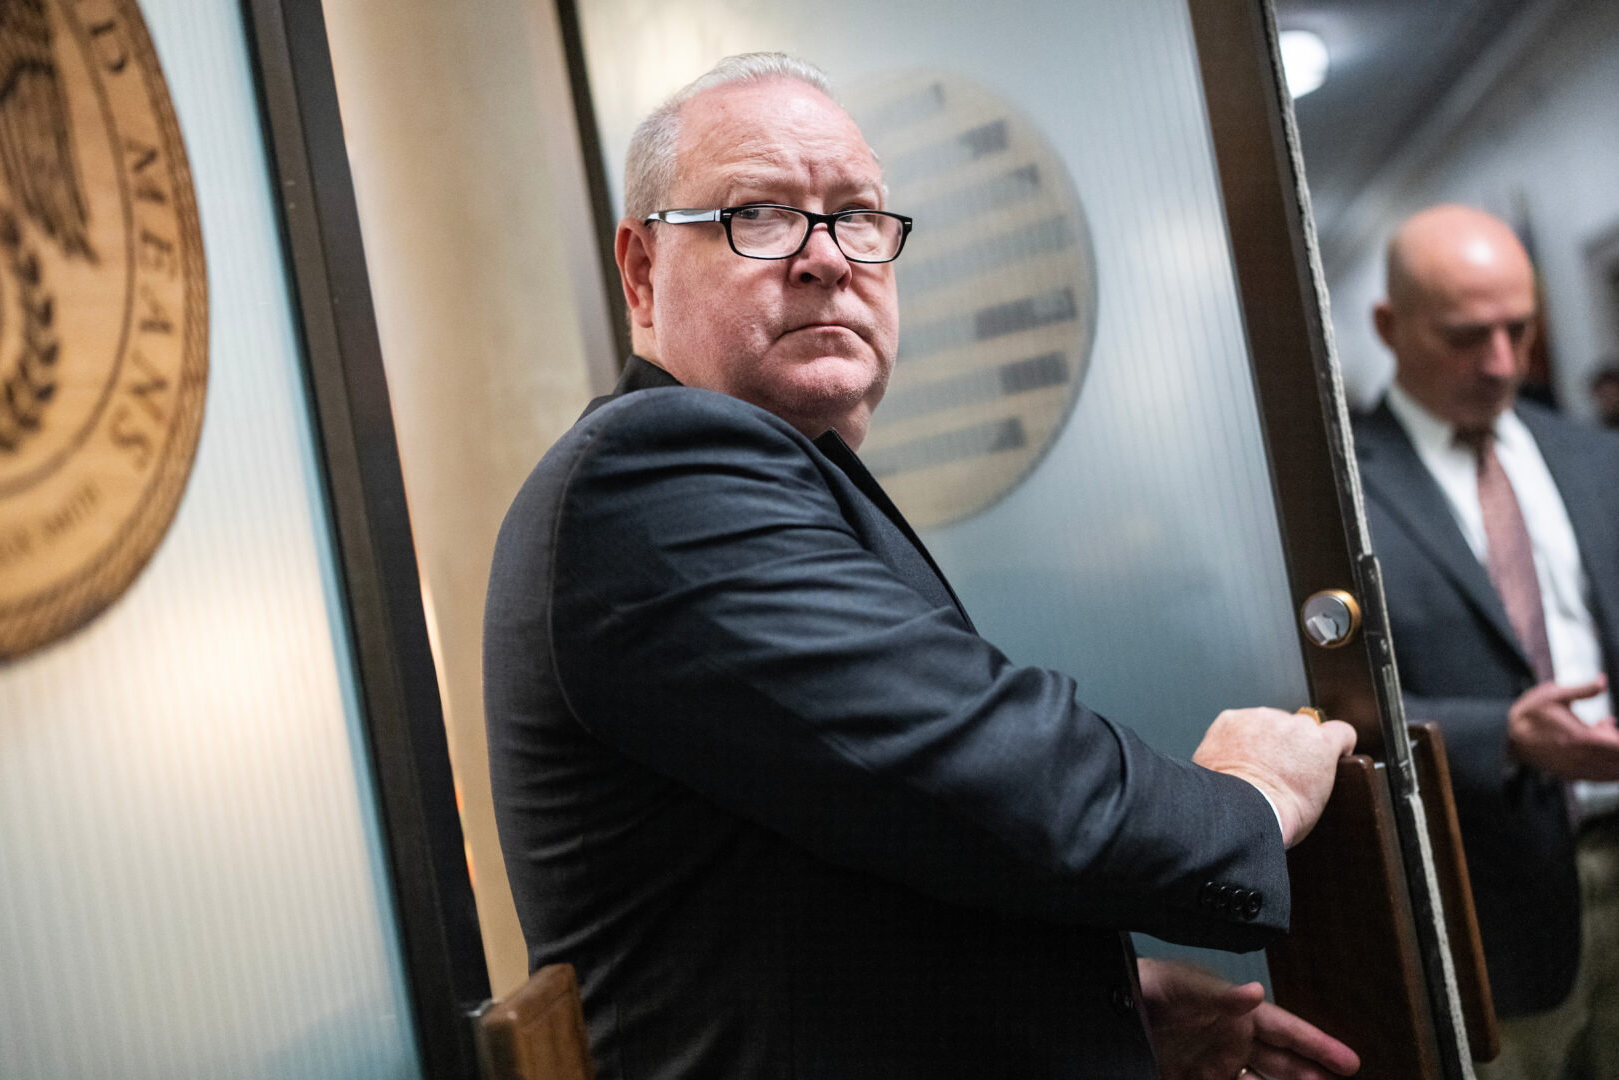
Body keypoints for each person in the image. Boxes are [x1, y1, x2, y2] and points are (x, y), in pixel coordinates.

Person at [485, 53, 1360, 1079]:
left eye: (857, 213)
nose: (827, 258)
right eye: (758, 214)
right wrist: (1250, 802)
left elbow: (864, 856)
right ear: (641, 273)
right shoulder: (652, 473)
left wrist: (1109, 1011)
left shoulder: (771, 473)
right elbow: (995, 773)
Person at [1353, 204, 1619, 1079]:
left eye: (1519, 328)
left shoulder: (1591, 458)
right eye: (1467, 336)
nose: (1502, 362)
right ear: (1390, 327)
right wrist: (1501, 736)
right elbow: (1332, 702)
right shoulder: (1339, 484)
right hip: (1487, 914)